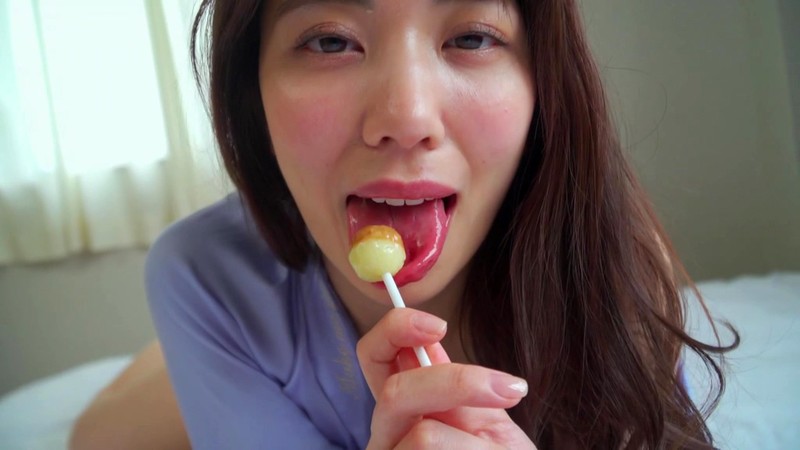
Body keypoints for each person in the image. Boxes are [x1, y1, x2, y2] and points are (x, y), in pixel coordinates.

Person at [70, 0, 737, 448]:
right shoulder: (207, 276)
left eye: (472, 37)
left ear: (545, 84)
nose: (407, 117)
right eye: (331, 40)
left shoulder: (614, 264)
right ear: (251, 93)